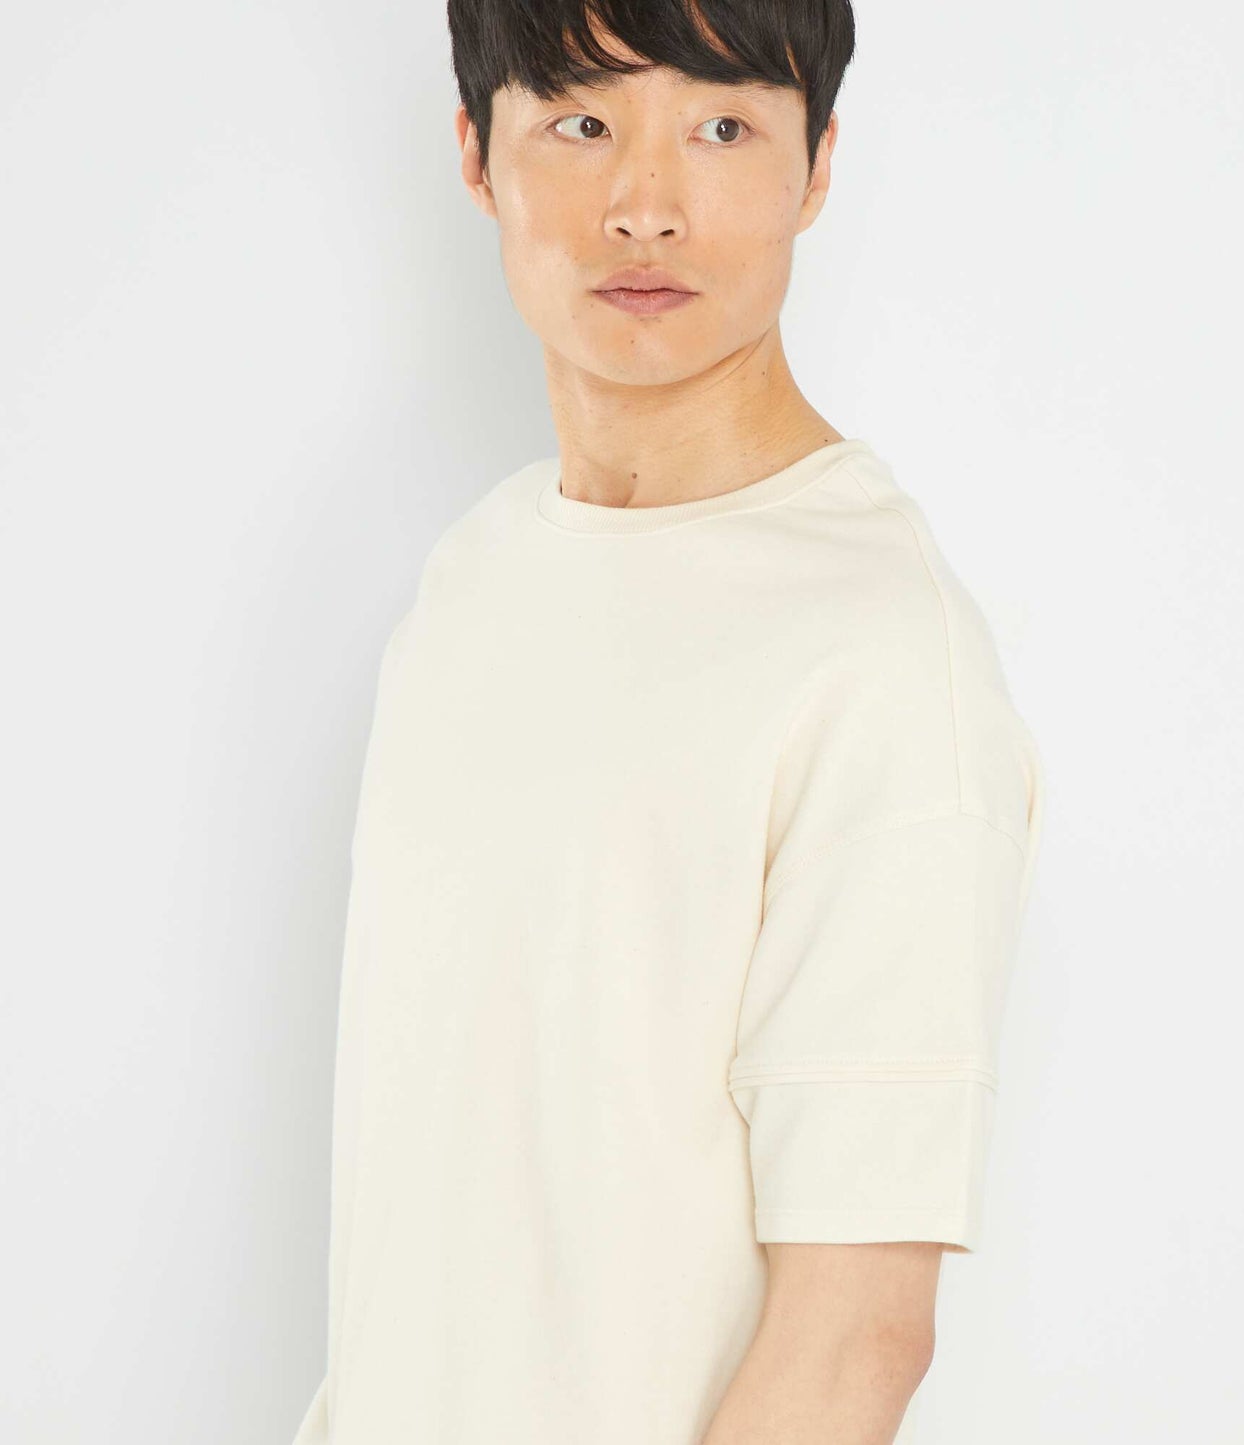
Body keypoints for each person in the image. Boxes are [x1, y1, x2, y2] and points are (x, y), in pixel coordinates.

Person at [288, 3, 1044, 1442]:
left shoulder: (885, 656)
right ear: (475, 156)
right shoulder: (472, 579)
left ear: (818, 166)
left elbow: (851, 1342)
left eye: (722, 127)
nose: (645, 206)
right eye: (581, 123)